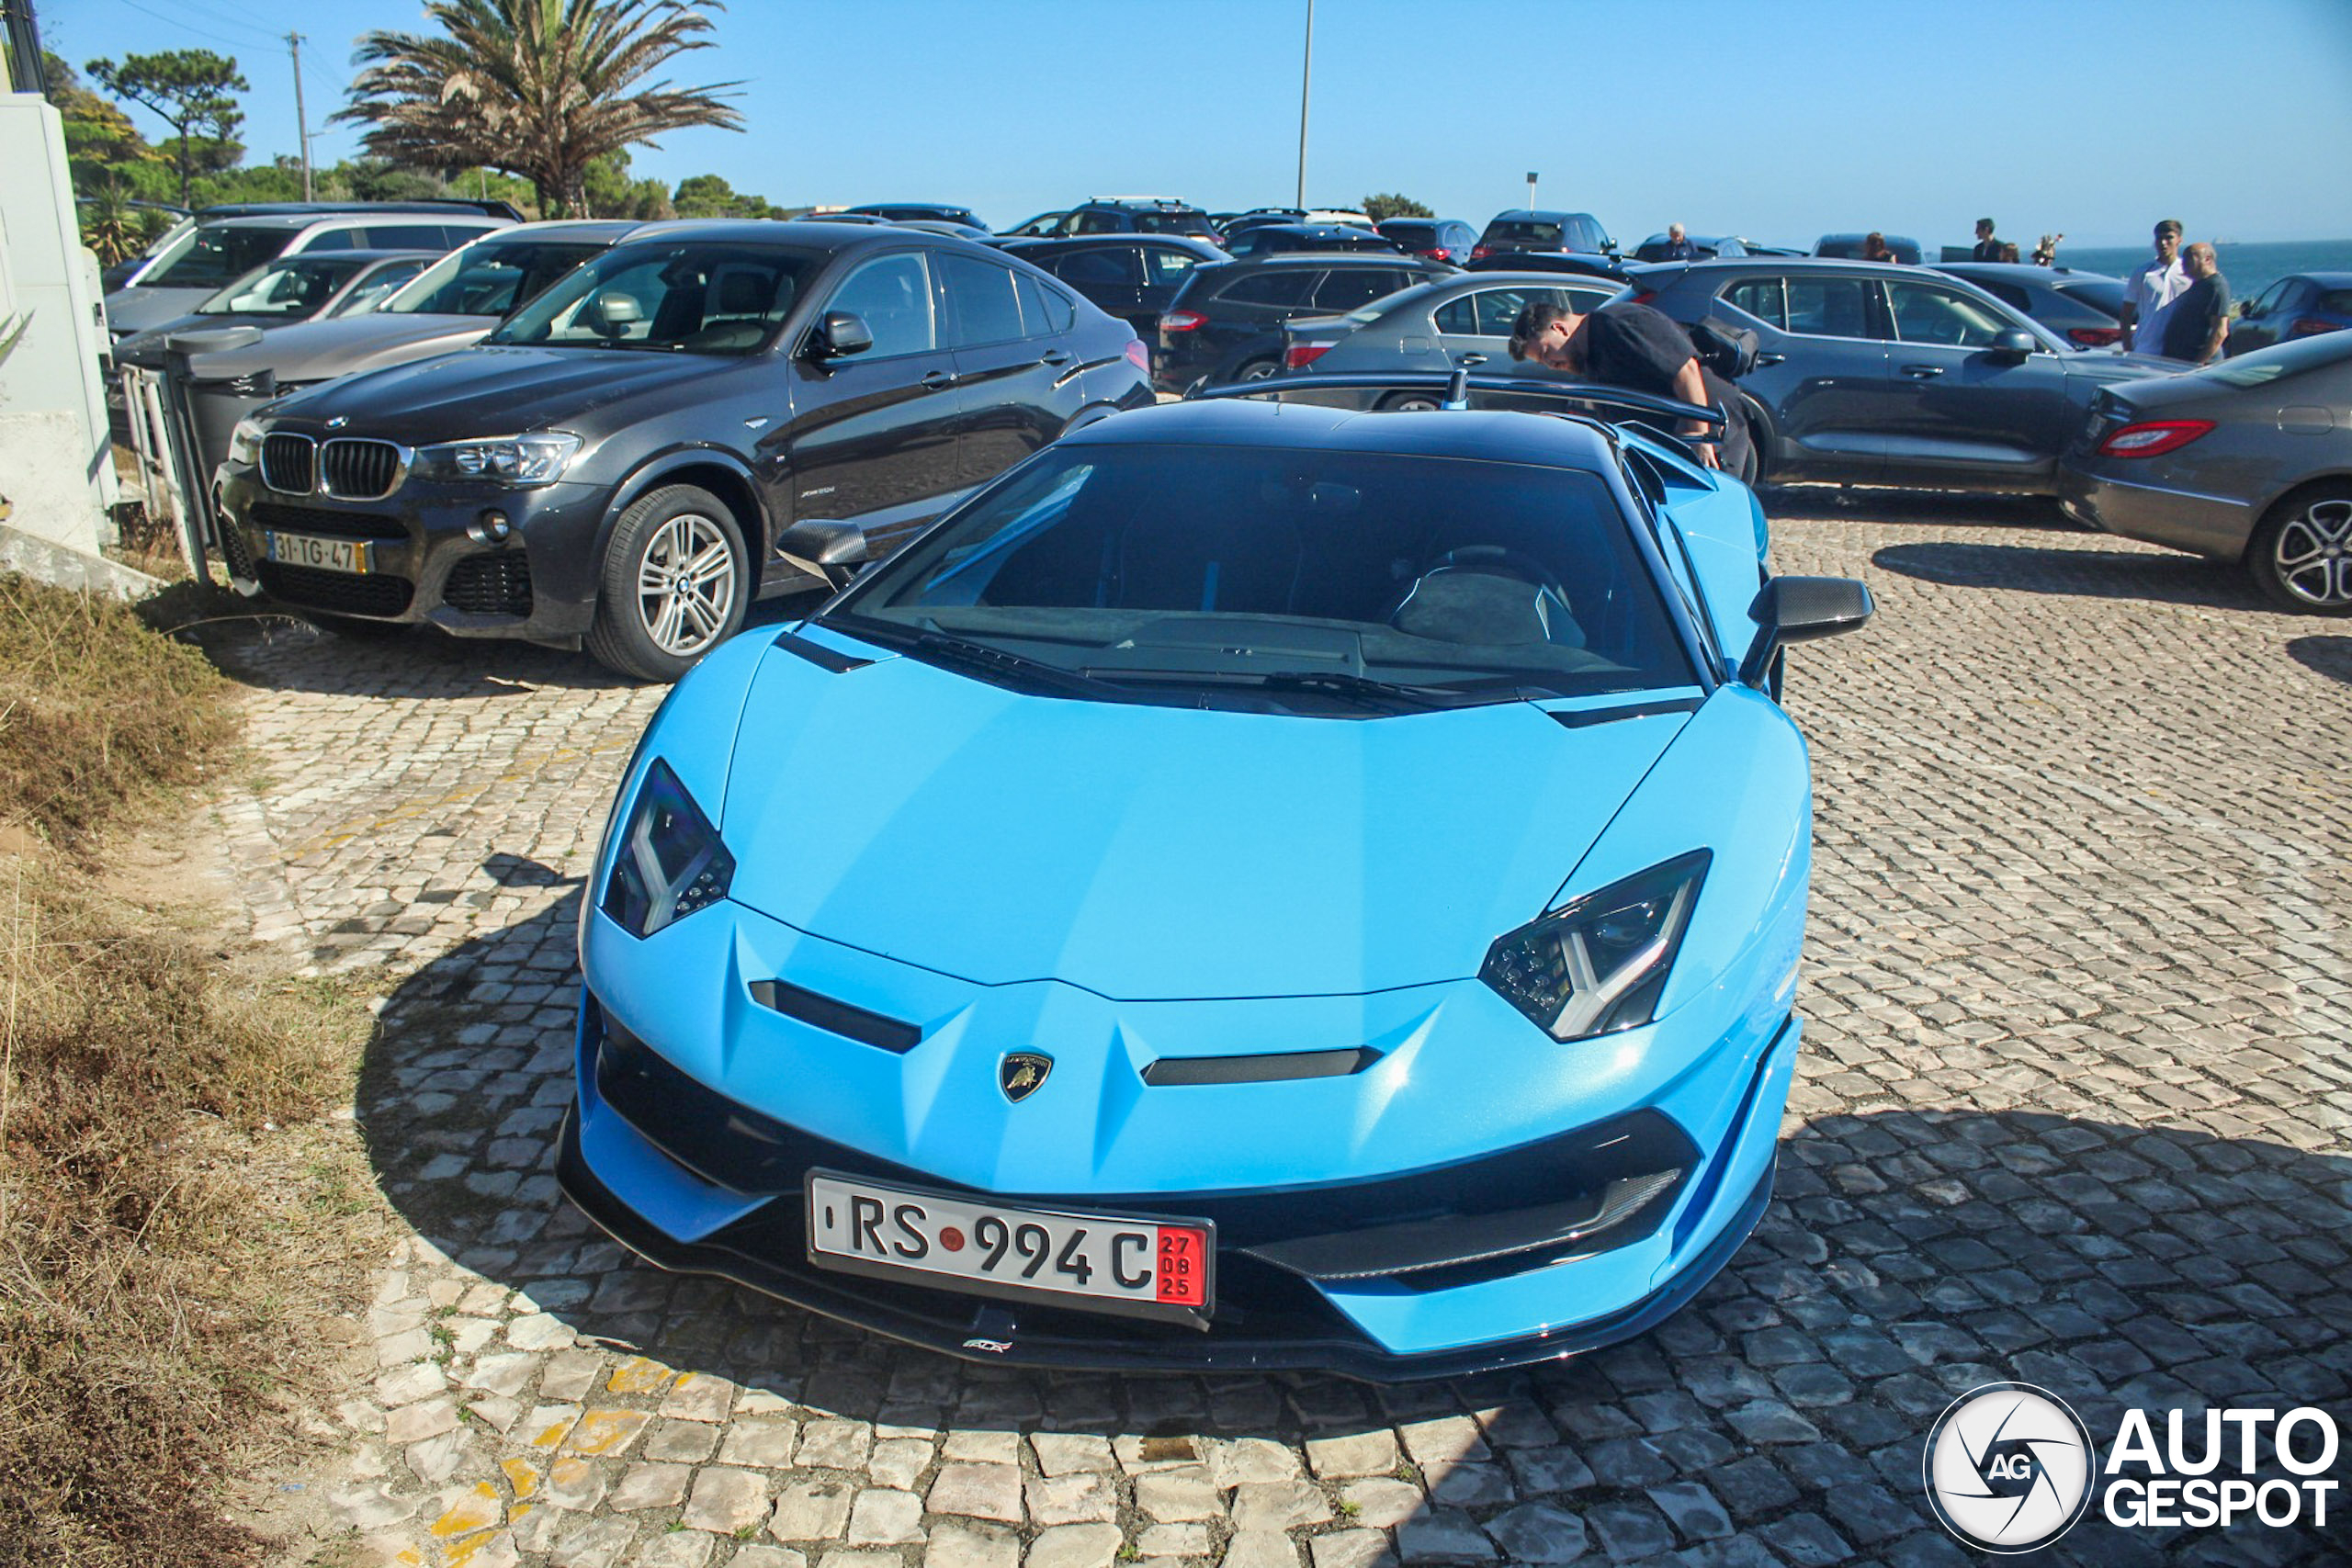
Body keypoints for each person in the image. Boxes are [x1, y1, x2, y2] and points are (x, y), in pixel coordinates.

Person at [1507, 298, 1750, 475]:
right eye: (1543, 362)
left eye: (1546, 352)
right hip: (1676, 446)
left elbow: (1686, 369)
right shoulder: (1589, 359)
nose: (1551, 364)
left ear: (1559, 328)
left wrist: (1700, 437)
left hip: (1715, 431)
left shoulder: (1616, 323)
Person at [2120, 220, 2189, 355]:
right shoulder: (2143, 272)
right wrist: (2127, 345)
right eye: (2159, 238)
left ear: (2179, 240)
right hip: (2146, 347)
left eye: (2169, 238)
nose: (2163, 243)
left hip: (2179, 348)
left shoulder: (2189, 271)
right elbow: (2126, 312)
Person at [2162, 243, 2232, 365]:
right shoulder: (2197, 285)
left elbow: (2220, 332)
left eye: (2190, 258)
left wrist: (2197, 364)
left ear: (2207, 259)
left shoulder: (2216, 286)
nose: (2184, 263)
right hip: (2178, 362)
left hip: (2199, 366)